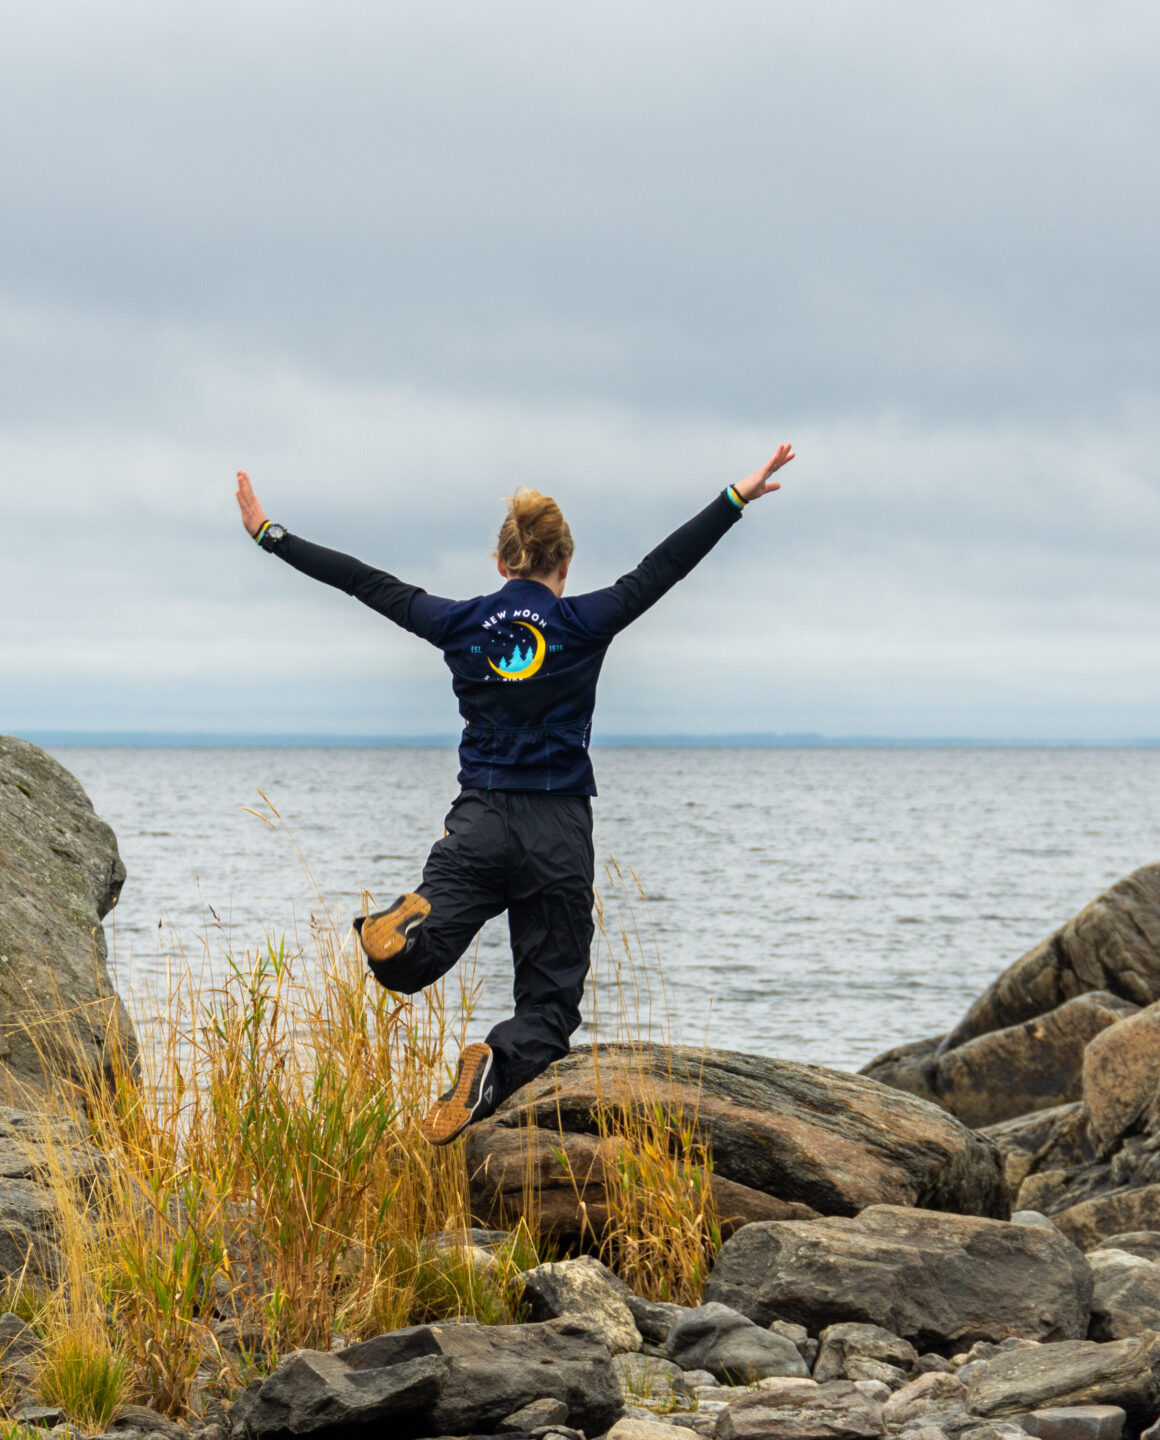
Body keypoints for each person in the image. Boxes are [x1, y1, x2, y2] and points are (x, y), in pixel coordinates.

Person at [233, 445, 795, 1143]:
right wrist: (733, 499)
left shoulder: (459, 622)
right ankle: (494, 1060)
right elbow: (663, 568)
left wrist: (270, 535)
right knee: (549, 1009)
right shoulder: (584, 621)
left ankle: (407, 921)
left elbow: (364, 583)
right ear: (565, 565)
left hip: (480, 822)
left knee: (413, 968)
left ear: (501, 564)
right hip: (557, 828)